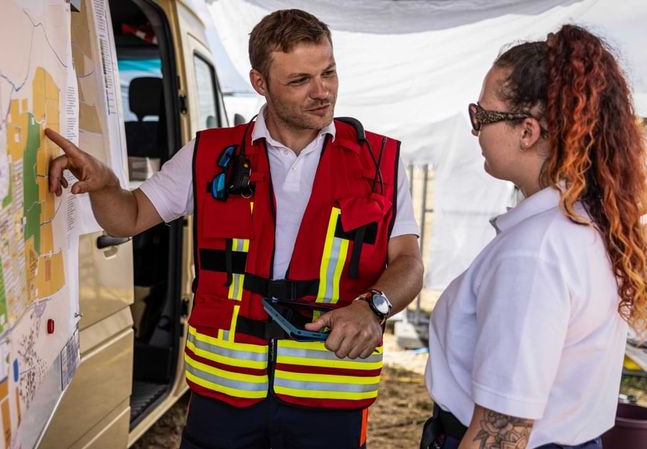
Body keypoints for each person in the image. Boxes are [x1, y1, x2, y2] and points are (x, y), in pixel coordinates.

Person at [46, 9, 423, 449]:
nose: (322, 92)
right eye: (300, 80)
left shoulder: (380, 161)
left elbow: (409, 262)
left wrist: (374, 307)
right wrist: (107, 185)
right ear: (260, 83)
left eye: (329, 73)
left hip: (331, 397)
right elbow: (127, 217)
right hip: (224, 395)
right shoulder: (207, 154)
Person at [422, 24, 647, 449]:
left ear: (527, 131)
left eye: (482, 116)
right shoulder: (583, 222)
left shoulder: (534, 252)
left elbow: (502, 433)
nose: (476, 130)